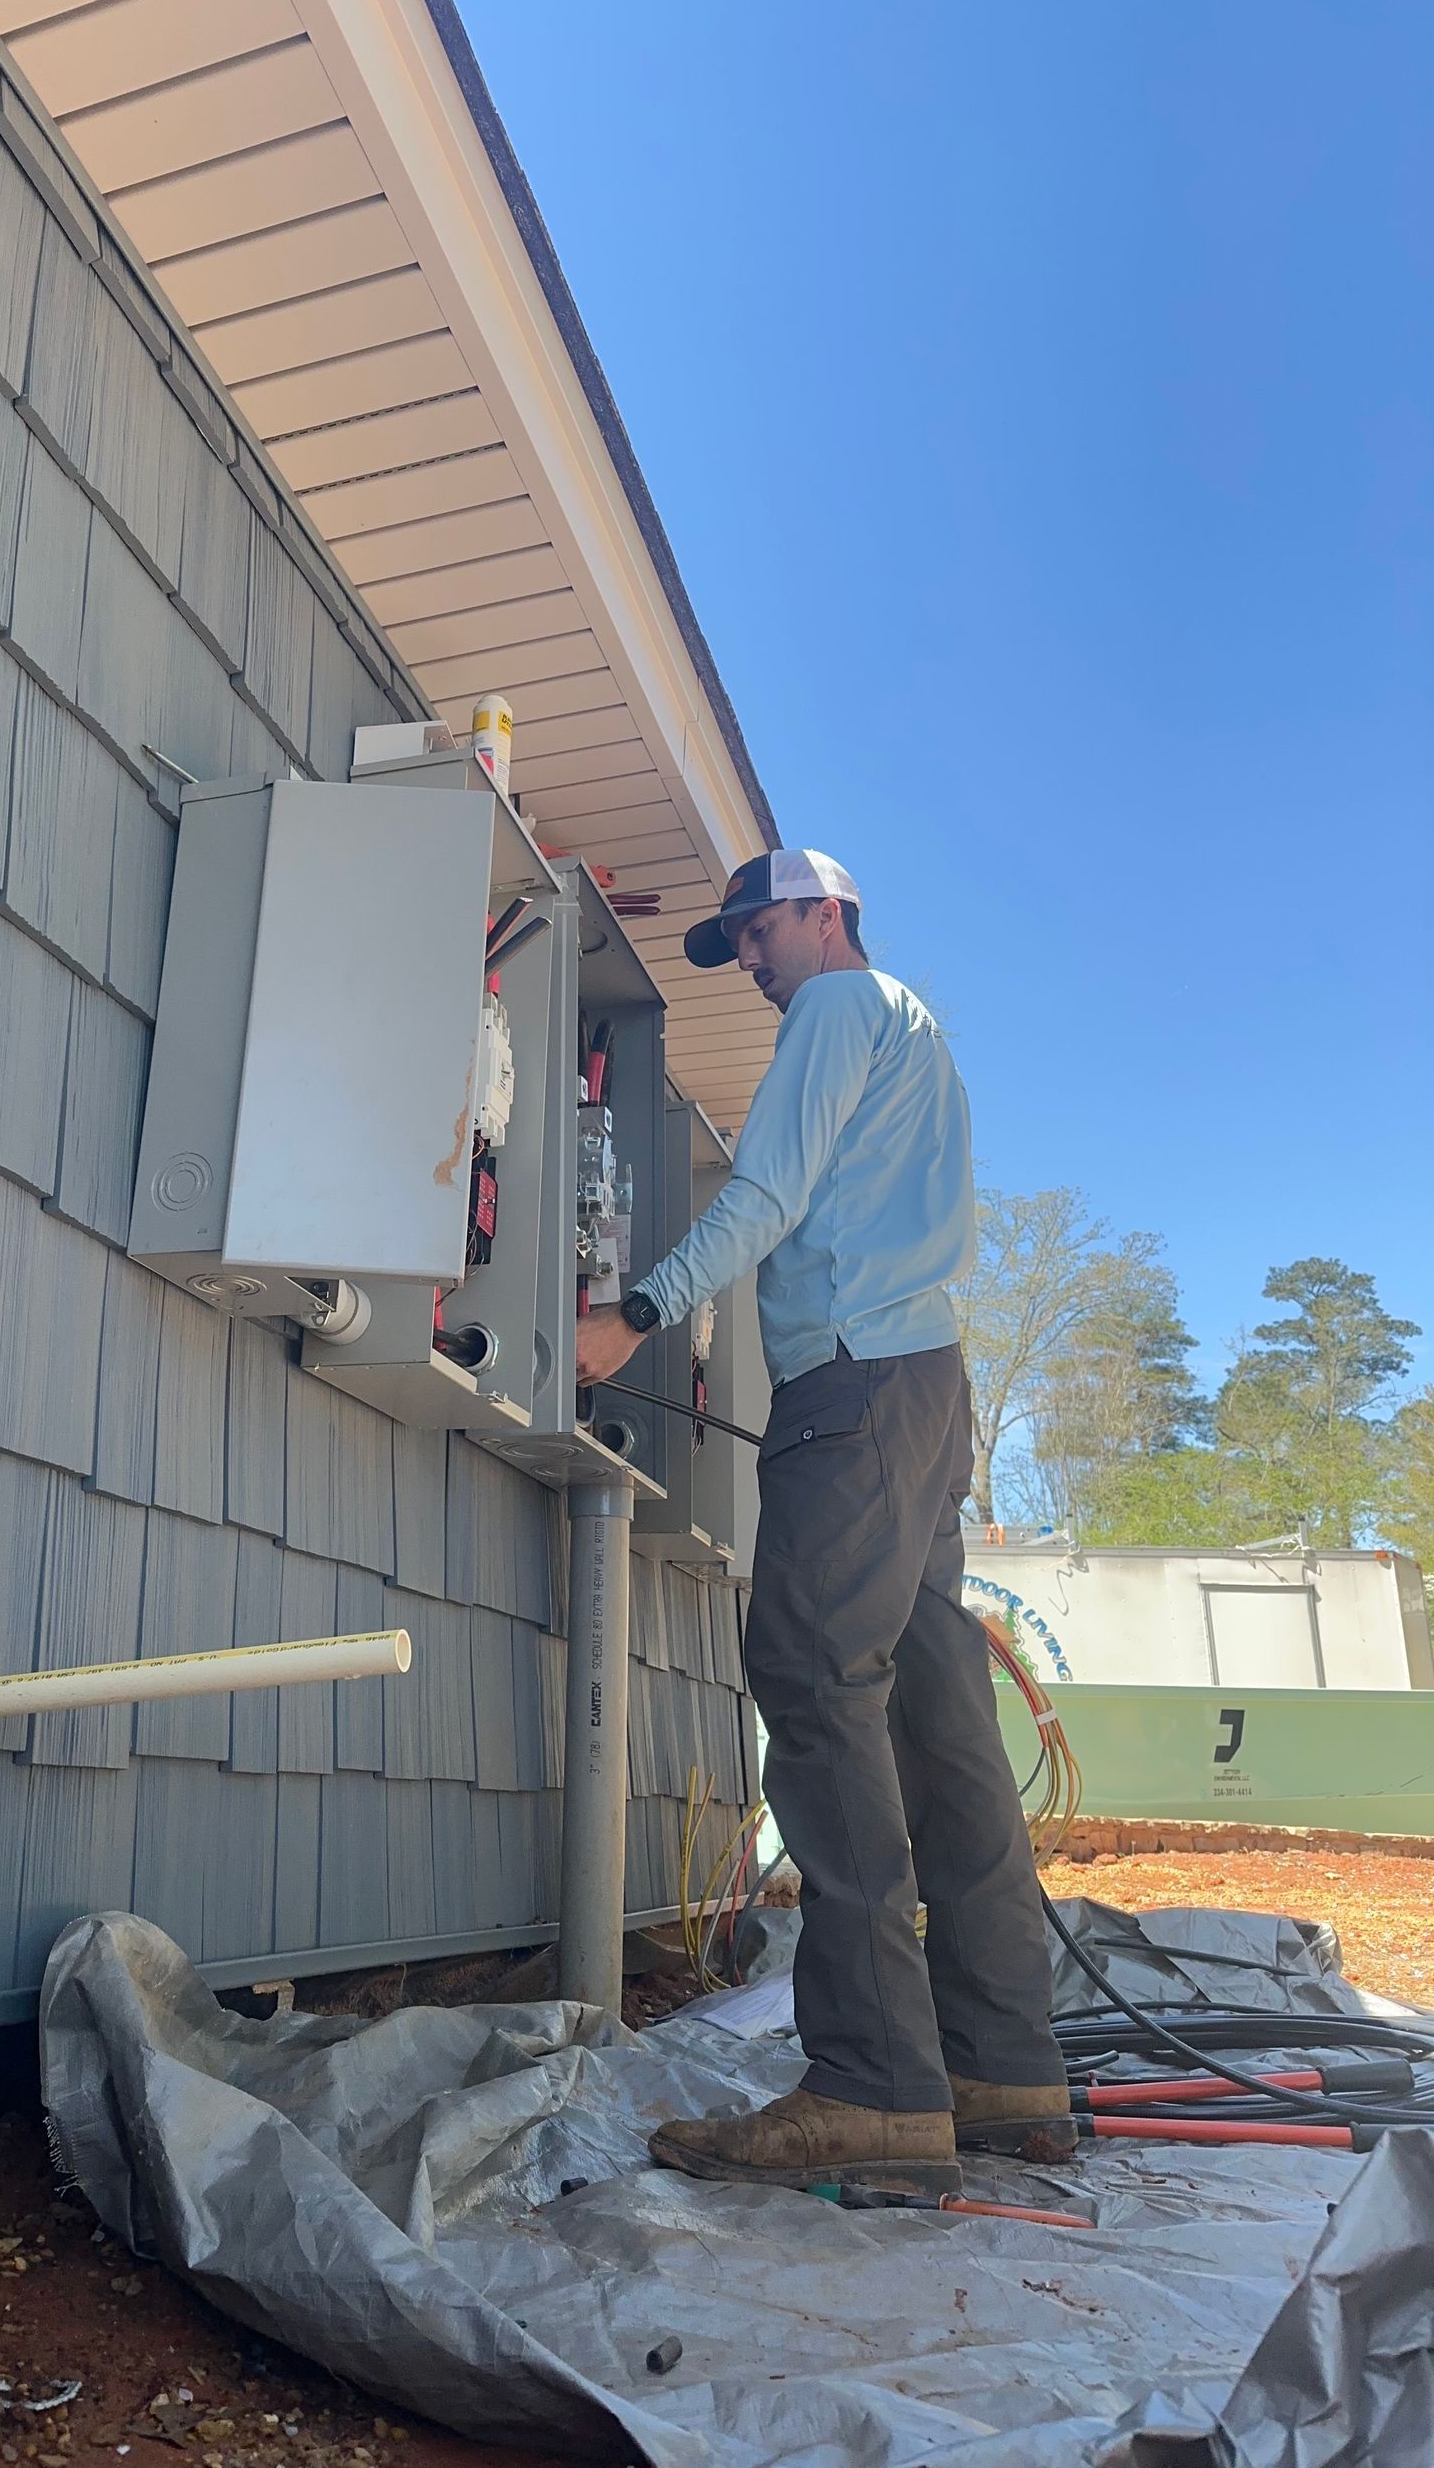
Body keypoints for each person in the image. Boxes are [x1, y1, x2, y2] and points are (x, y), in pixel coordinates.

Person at [573, 848, 1074, 2193]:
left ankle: (873, 2085)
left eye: (754, 934)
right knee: (933, 1706)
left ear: (820, 912)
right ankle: (1001, 2064)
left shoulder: (842, 1011)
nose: (749, 963)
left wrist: (632, 1313)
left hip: (847, 1392)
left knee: (810, 1676)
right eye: (738, 945)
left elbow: (767, 1195)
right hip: (923, 1394)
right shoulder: (921, 1035)